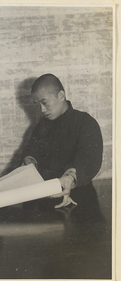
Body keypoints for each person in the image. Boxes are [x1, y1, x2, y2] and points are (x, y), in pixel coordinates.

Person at [21, 74, 103, 208]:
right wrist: (29, 160)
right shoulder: (42, 125)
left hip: (78, 193)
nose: (42, 110)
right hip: (45, 194)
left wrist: (70, 177)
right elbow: (32, 148)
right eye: (38, 105)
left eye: (45, 102)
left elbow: (89, 158)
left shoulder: (85, 122)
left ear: (61, 95)